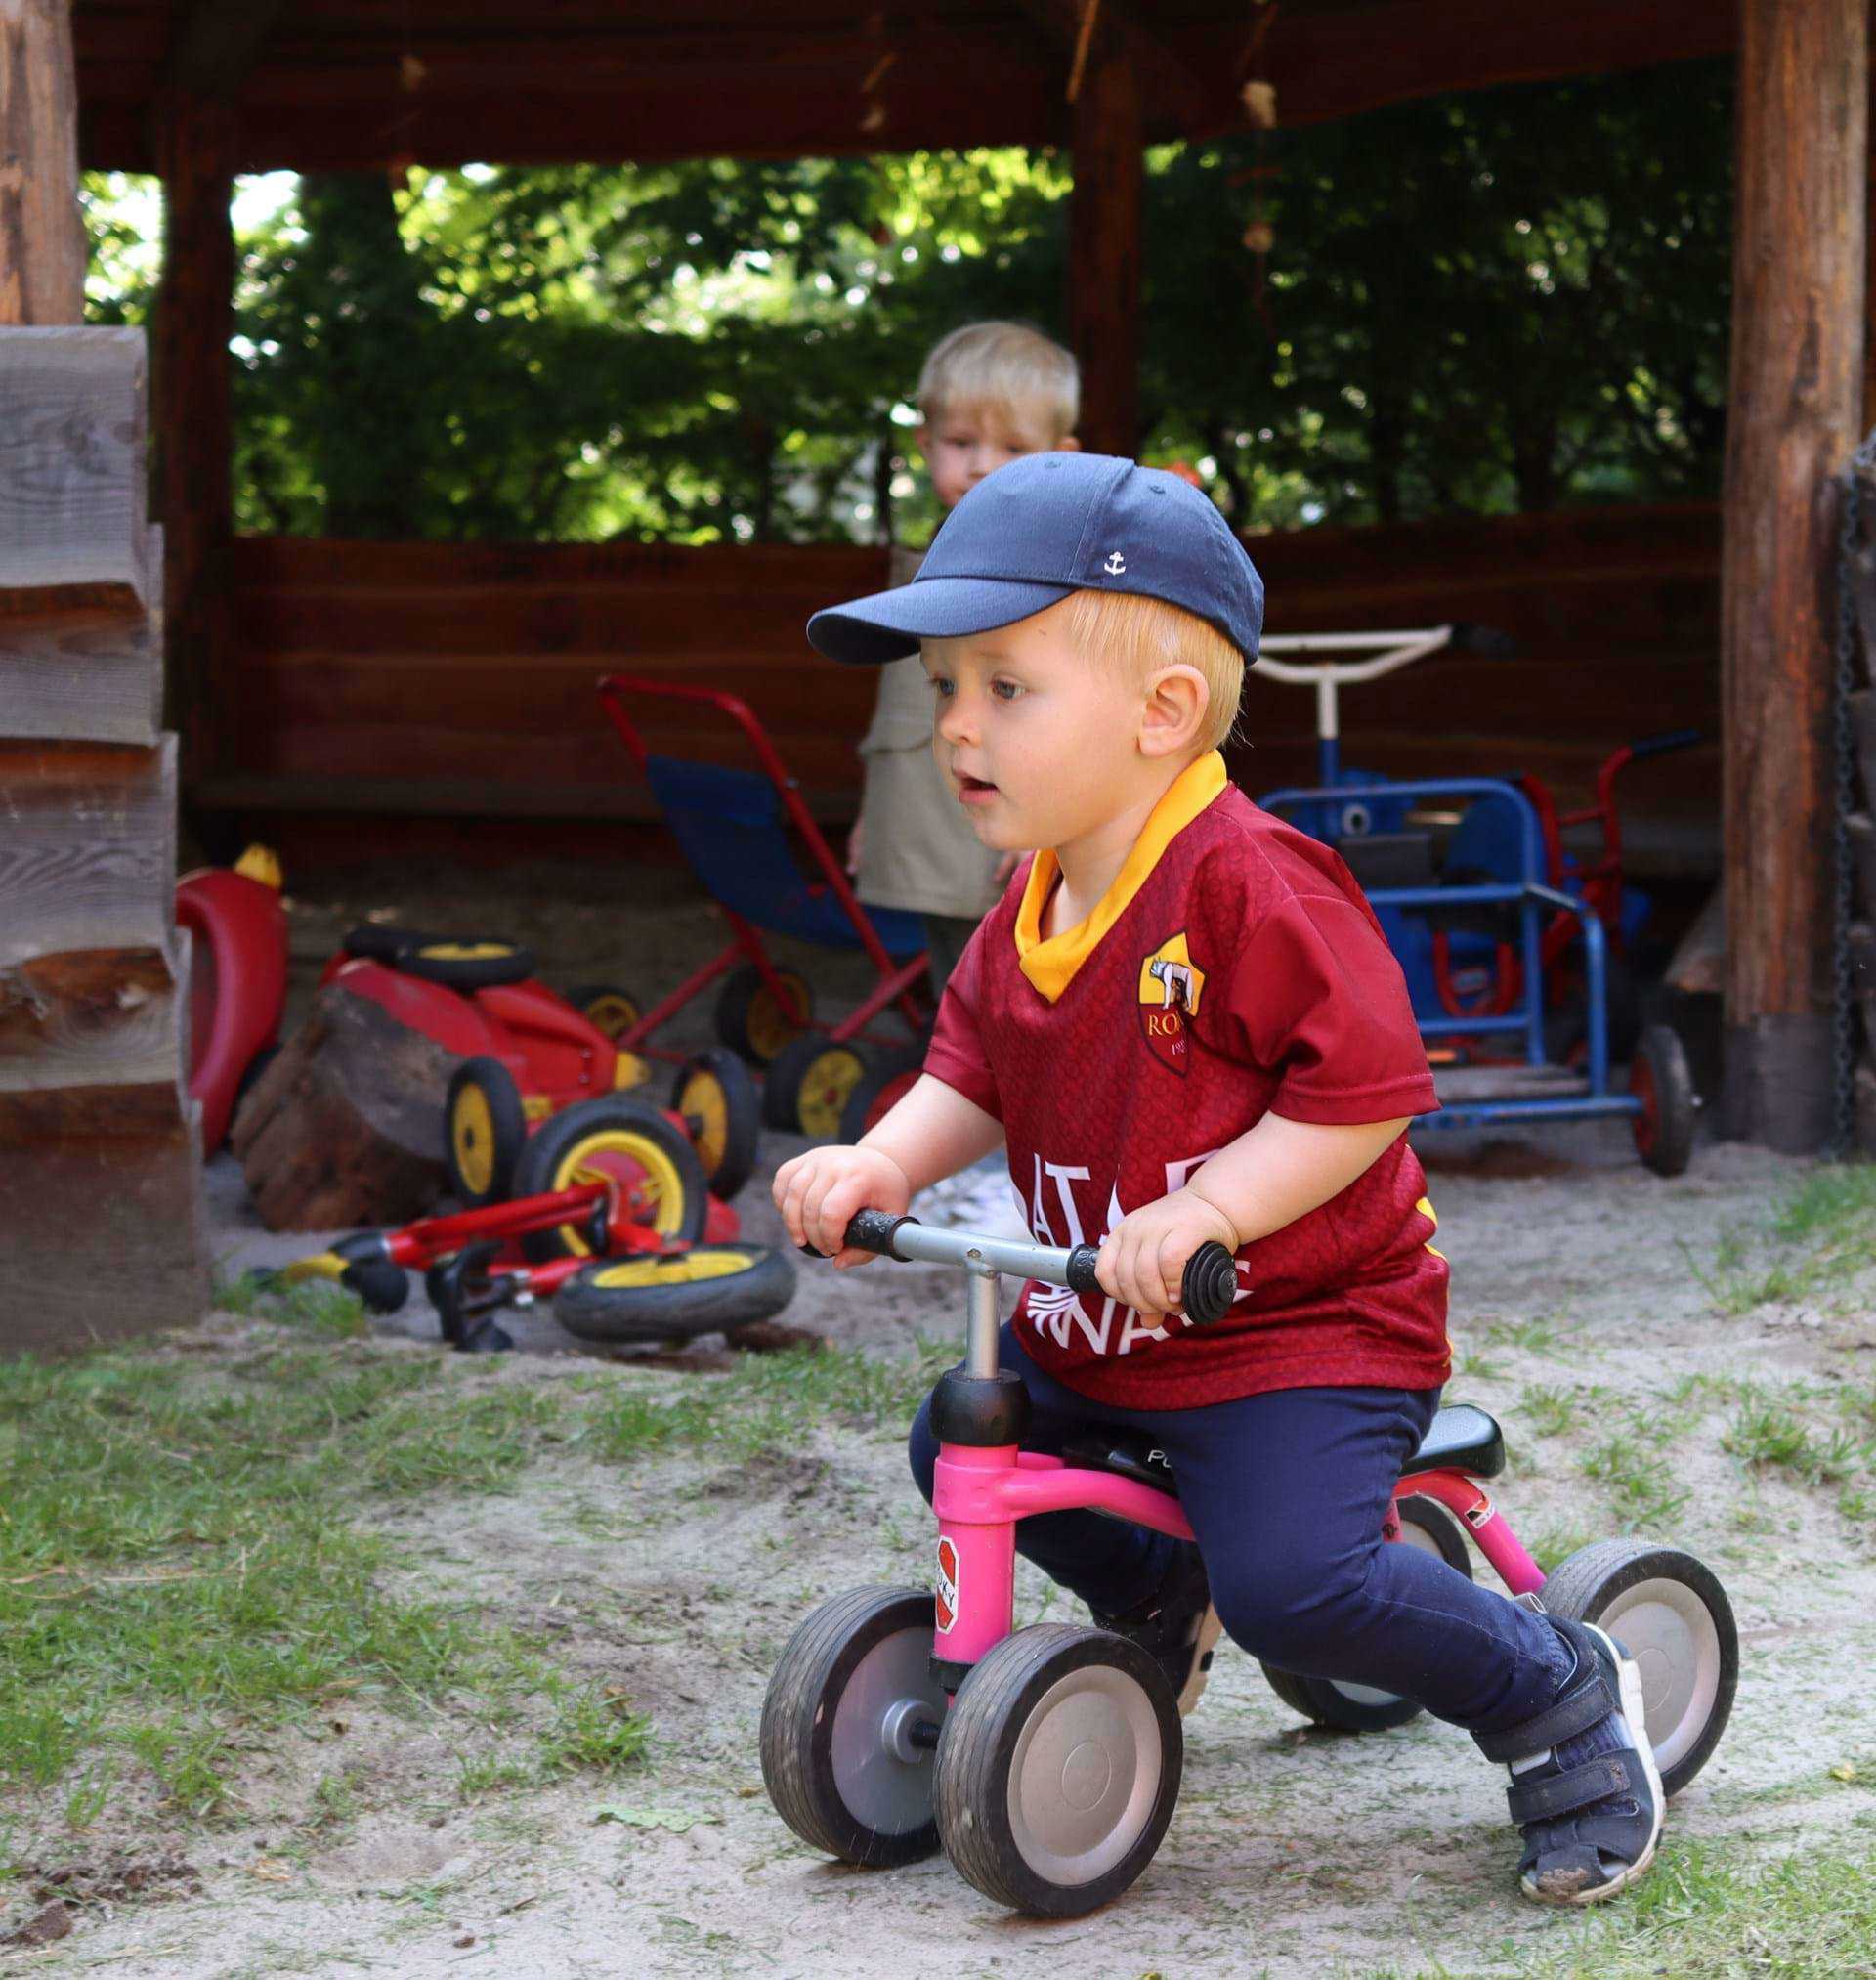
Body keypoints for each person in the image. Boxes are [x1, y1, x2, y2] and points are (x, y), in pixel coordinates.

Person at [776, 452, 1664, 1908]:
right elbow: (973, 1074)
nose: (957, 725)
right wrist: (879, 1158)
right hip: (1109, 1324)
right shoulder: (1030, 897)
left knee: (1299, 1586)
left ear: (1164, 711)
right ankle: (1153, 1592)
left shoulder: (1252, 880)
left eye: (1006, 687)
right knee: (960, 1442)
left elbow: (1360, 1098)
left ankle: (1554, 1691)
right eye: (946, 689)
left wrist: (1211, 1209)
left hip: (1298, 1333)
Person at [848, 322, 1080, 1001]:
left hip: (1013, 833)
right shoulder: (929, 560)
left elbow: (1065, 712)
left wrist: (1050, 826)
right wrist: (877, 814)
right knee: (955, 986)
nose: (982, 466)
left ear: (1061, 456)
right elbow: (904, 703)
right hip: (925, 819)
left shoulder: (1057, 576)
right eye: (960, 443)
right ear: (926, 446)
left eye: (1014, 448)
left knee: (1020, 990)